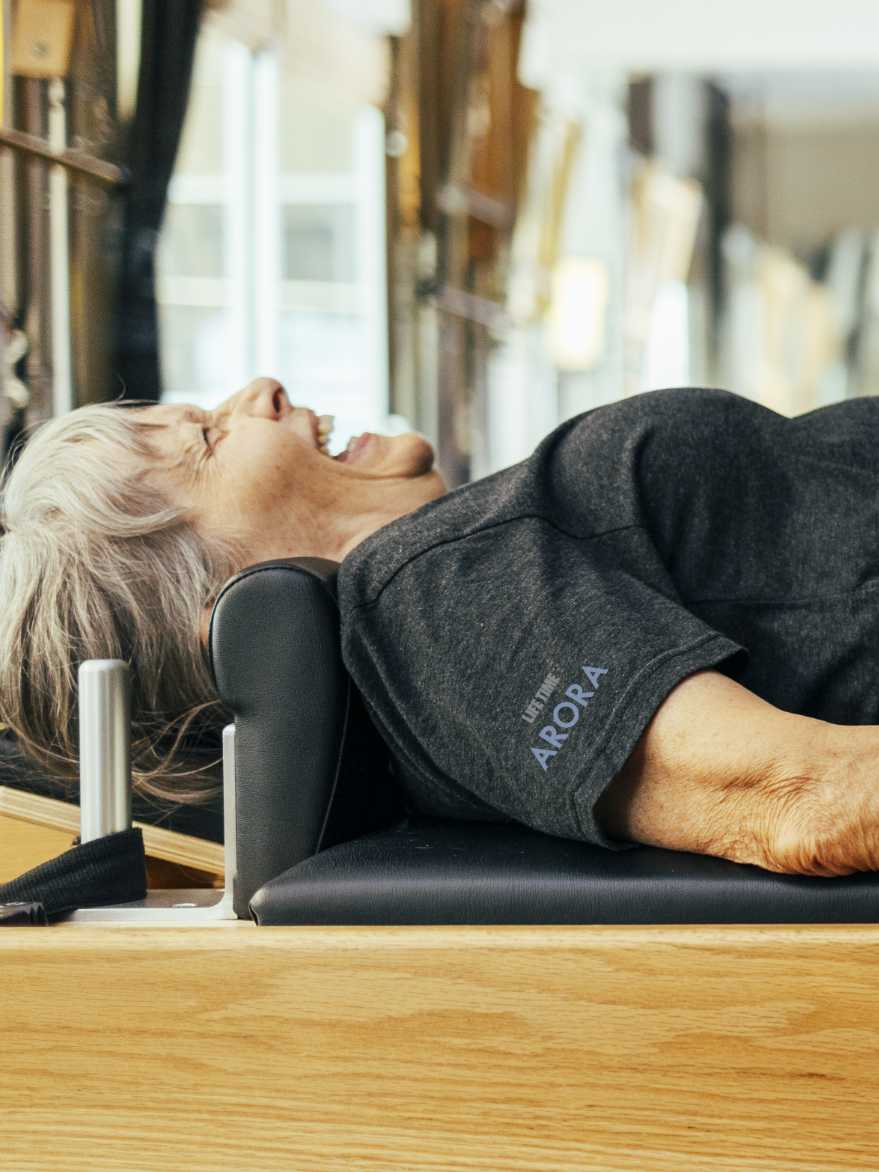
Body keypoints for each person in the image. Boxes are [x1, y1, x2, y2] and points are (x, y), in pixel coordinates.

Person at [1, 376, 878, 878]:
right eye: (206, 437)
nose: (257, 391)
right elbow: (802, 802)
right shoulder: (421, 602)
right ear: (218, 612)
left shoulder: (444, 588)